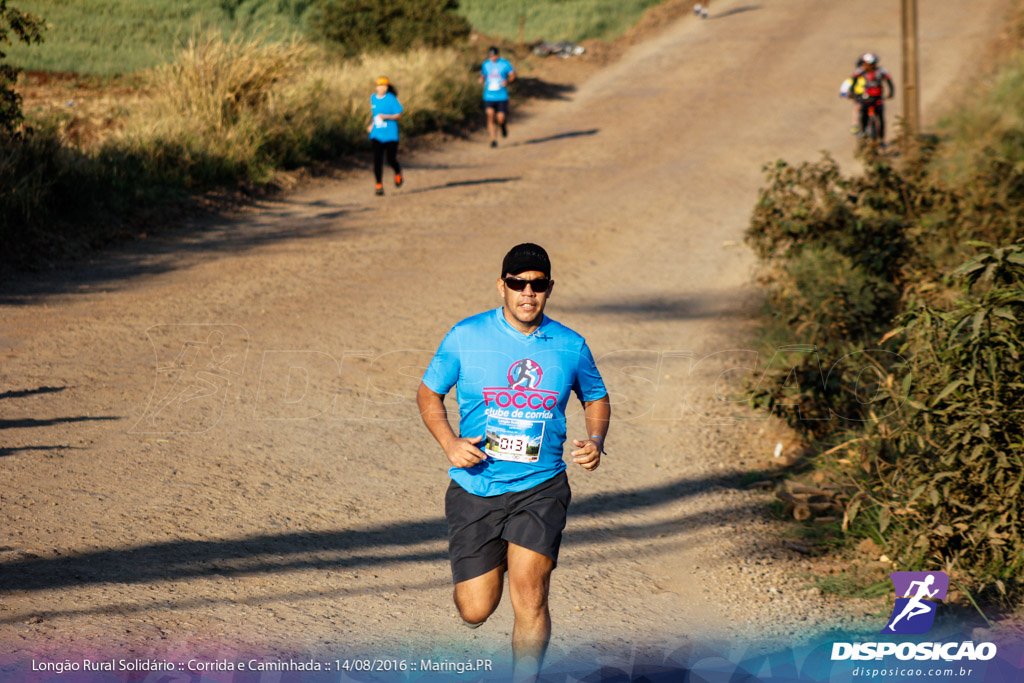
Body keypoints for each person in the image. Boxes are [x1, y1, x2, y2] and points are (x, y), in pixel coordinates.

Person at [417, 243, 610, 681]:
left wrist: (596, 440)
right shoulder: (466, 336)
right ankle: (495, 555)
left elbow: (596, 396)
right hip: (476, 486)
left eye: (537, 284)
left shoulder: (569, 344)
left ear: (549, 289)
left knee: (531, 595)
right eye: (517, 283)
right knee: (475, 608)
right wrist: (449, 443)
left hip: (540, 488)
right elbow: (429, 393)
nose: (528, 292)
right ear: (501, 286)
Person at [366, 77, 403, 196]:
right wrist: (371, 125)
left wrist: (386, 116)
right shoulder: (373, 98)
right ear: (376, 87)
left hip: (391, 134)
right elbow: (374, 114)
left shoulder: (391, 98)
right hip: (377, 134)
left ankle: (397, 172)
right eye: (380, 85)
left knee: (391, 159)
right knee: (377, 160)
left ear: (387, 87)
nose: (382, 88)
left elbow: (399, 114)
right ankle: (379, 185)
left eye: (384, 86)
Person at [849, 53, 895, 143]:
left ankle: (881, 140)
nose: (868, 66)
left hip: (878, 98)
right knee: (863, 116)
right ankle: (863, 134)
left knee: (880, 119)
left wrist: (891, 93)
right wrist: (852, 93)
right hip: (865, 98)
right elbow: (853, 82)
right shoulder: (860, 71)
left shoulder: (881, 71)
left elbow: (889, 82)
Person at [479, 46, 516, 148]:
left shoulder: (505, 63)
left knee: (500, 118)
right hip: (489, 96)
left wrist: (507, 81)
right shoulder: (485, 64)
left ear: (498, 55)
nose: (493, 58)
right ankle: (493, 139)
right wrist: (481, 79)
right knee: (490, 115)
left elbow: (513, 76)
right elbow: (483, 74)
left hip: (502, 96)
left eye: (494, 56)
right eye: (491, 56)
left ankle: (502, 125)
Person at [840, 55, 868, 135]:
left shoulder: (871, 75)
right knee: (857, 108)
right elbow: (847, 83)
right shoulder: (856, 76)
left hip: (869, 95)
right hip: (859, 95)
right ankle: (855, 124)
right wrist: (844, 93)